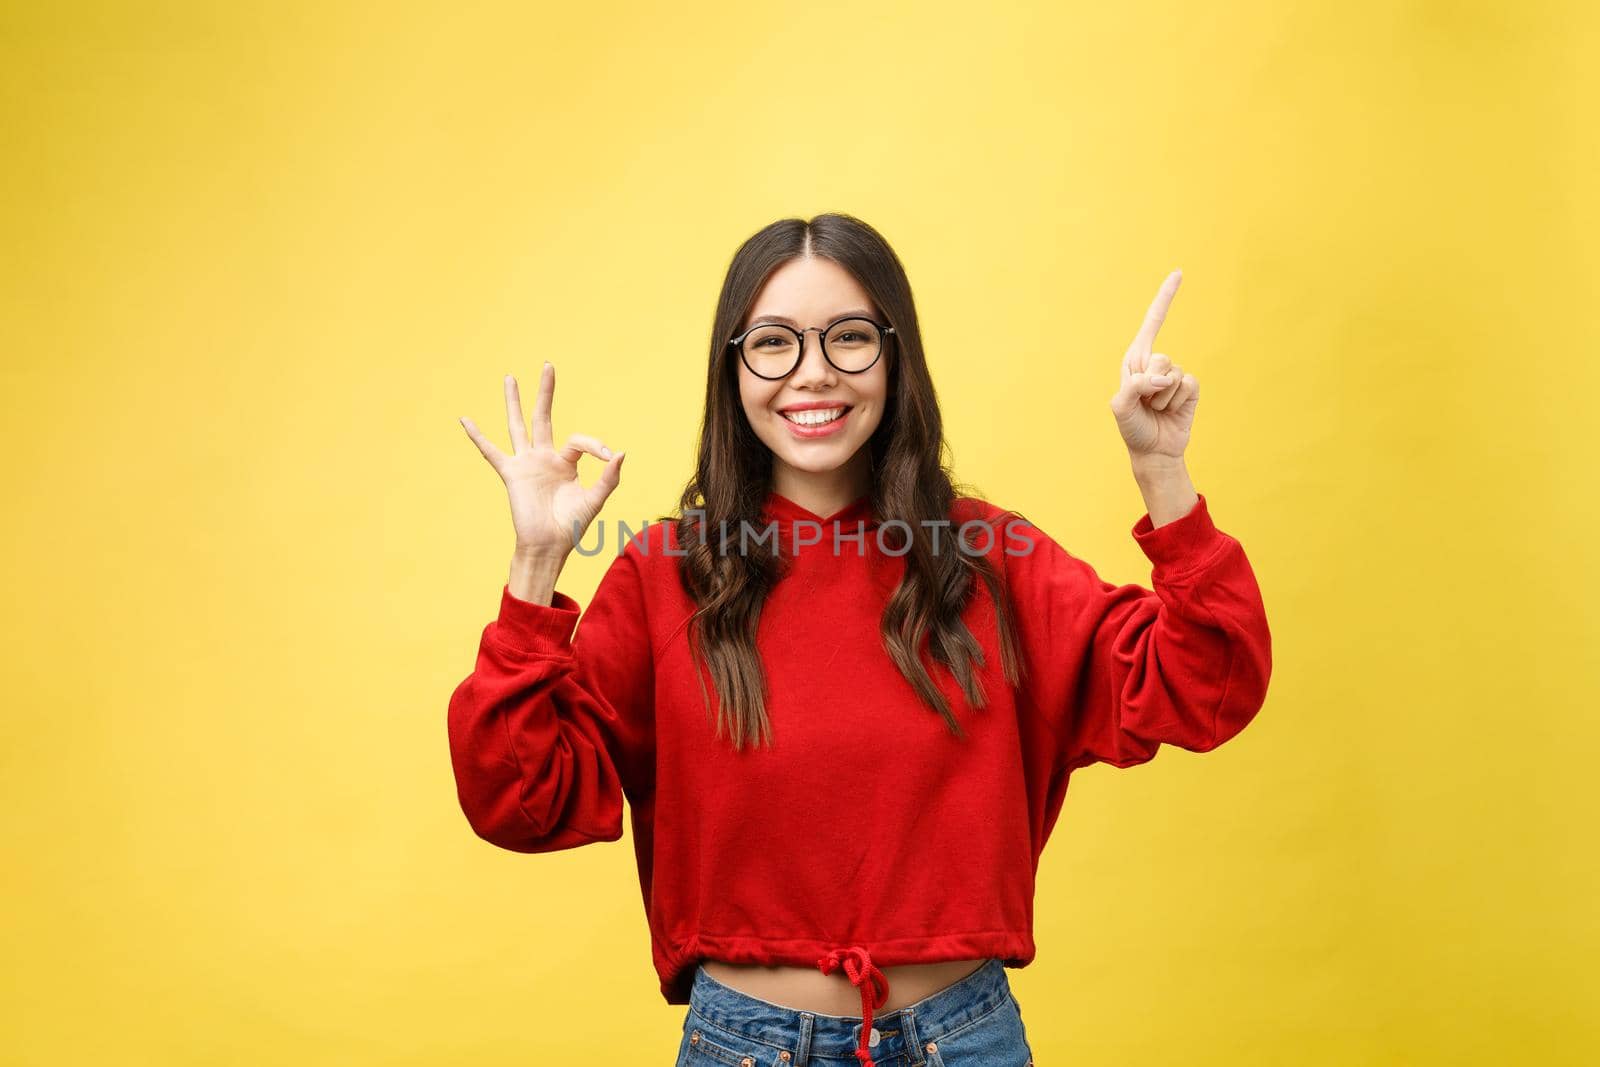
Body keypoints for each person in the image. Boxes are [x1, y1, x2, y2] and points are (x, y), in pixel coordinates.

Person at [447, 213, 1273, 1066]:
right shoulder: (667, 573)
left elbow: (1206, 681)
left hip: (965, 1038)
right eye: (772, 343)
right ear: (732, 369)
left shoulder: (993, 558)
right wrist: (537, 561)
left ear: (894, 357)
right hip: (746, 1045)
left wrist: (1163, 472)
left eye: (848, 338)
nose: (813, 374)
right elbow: (520, 801)